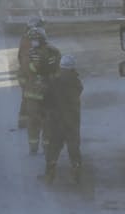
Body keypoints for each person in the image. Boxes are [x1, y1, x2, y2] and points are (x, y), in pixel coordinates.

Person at [43, 54, 83, 184]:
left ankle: (50, 173)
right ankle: (76, 170)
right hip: (72, 120)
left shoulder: (54, 82)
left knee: (54, 146)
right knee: (73, 146)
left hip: (56, 120)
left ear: (61, 67)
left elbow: (46, 100)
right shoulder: (76, 82)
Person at [19, 26, 60, 154]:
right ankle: (39, 146)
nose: (33, 42)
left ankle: (39, 146)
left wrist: (27, 86)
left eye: (36, 39)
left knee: (40, 121)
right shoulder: (50, 51)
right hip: (41, 94)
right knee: (42, 121)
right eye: (32, 40)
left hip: (39, 94)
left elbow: (23, 73)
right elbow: (23, 73)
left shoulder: (48, 52)